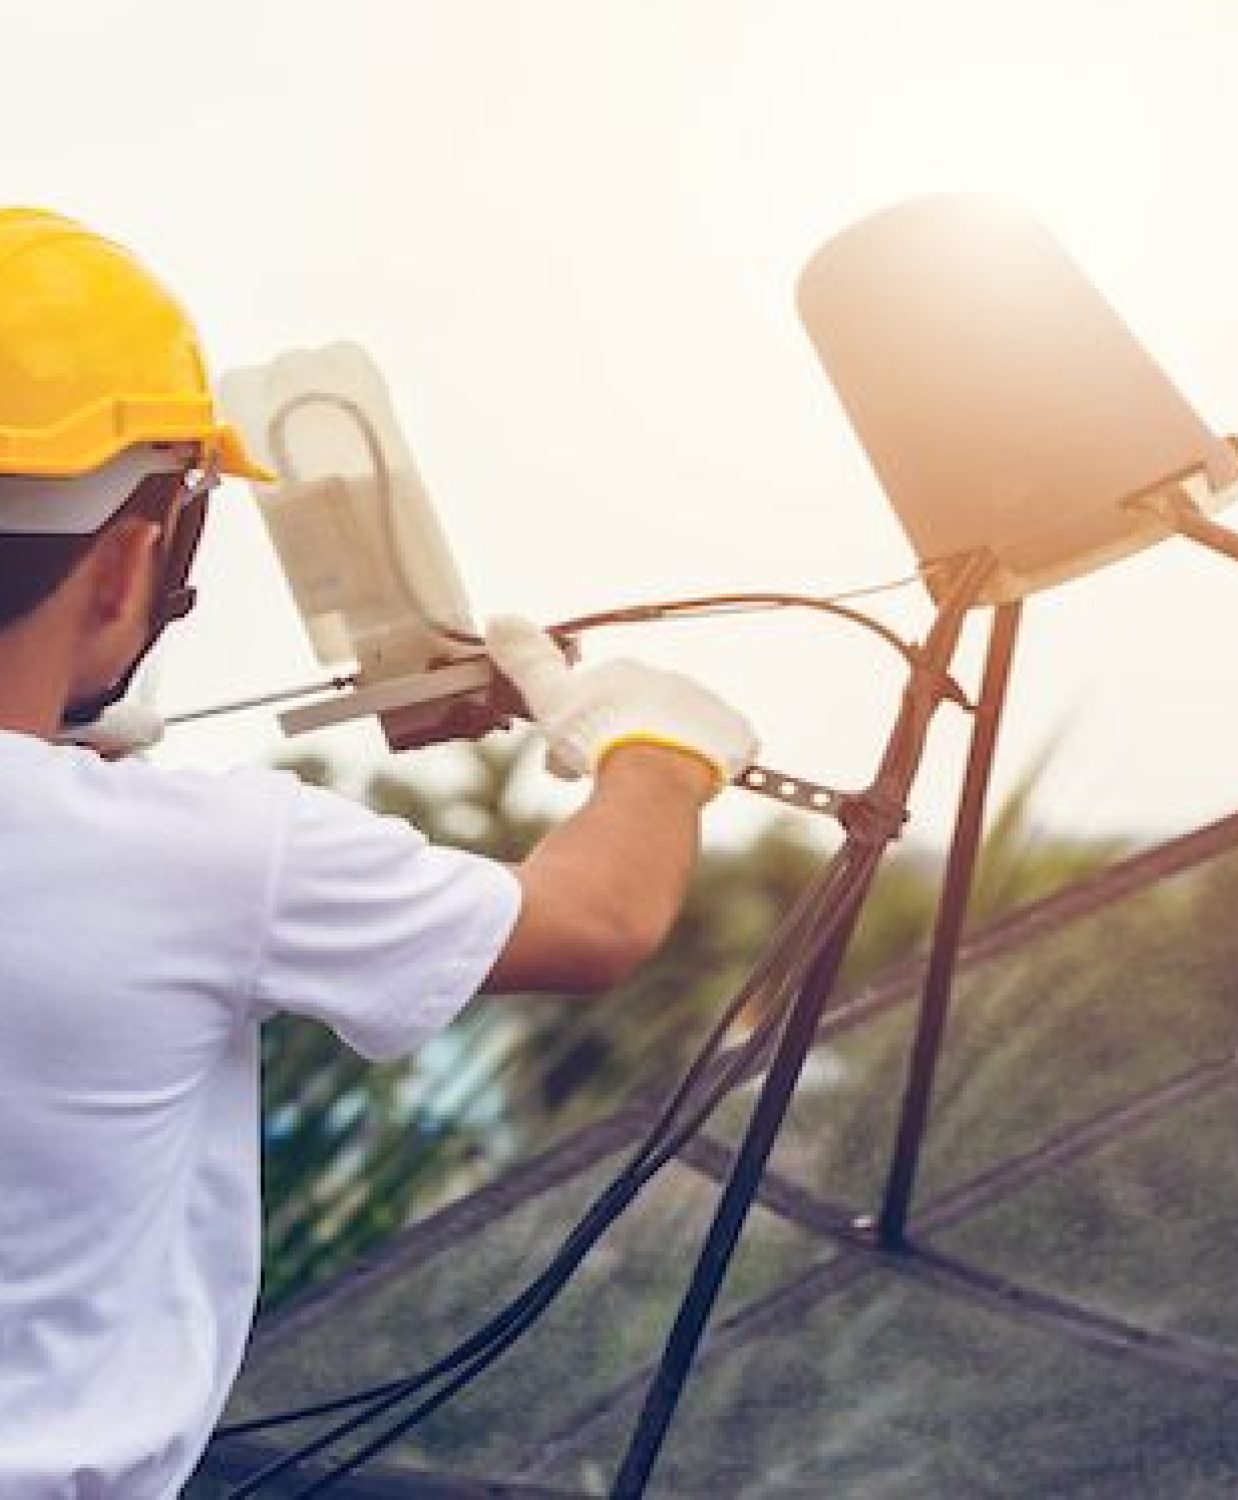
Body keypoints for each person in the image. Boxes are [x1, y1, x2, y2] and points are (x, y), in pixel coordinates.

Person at [0, 208, 758, 1495]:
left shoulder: (146, 847)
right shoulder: (209, 858)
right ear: (135, 564)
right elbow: (599, 919)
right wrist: (654, 747)